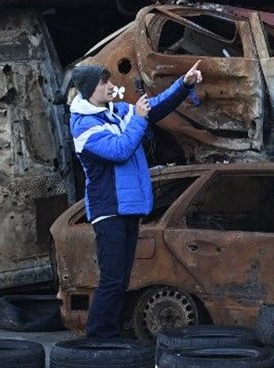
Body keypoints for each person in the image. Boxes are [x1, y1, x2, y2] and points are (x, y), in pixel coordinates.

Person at [68, 60, 202, 340]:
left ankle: (111, 336)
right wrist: (139, 119)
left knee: (121, 279)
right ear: (91, 89)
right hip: (109, 211)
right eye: (104, 83)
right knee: (112, 279)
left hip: (128, 208)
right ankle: (98, 338)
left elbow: (154, 107)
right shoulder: (83, 126)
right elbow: (120, 150)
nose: (110, 86)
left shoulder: (117, 111)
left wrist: (184, 84)